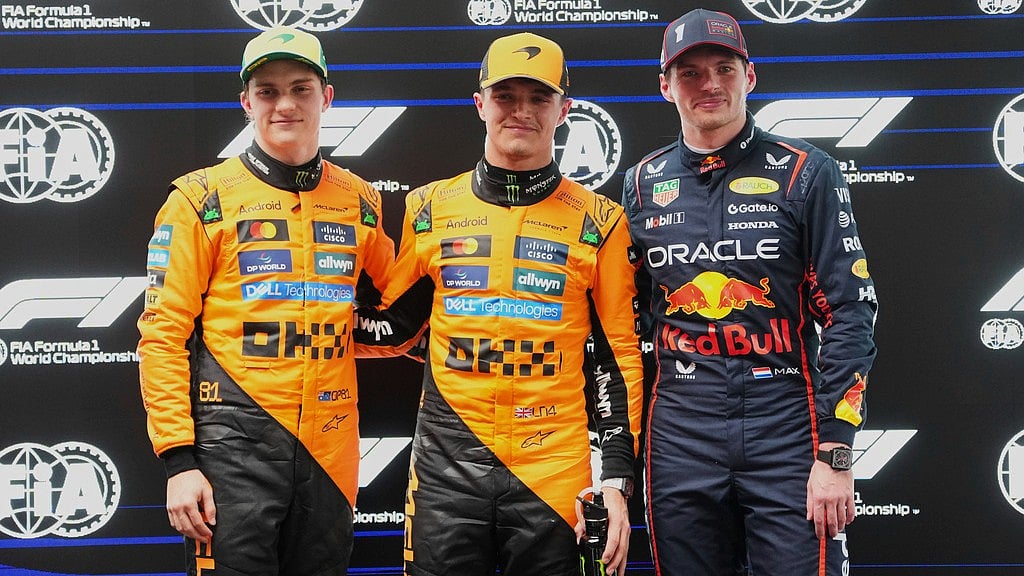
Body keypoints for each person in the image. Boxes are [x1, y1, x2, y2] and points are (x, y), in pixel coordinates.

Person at [352, 32, 644, 576]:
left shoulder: (600, 220)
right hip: (446, 471)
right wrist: (291, 310)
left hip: (554, 470)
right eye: (506, 95)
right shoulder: (430, 207)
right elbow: (395, 327)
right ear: (480, 103)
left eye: (539, 98)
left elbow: (616, 356)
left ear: (564, 111)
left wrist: (616, 481)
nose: (521, 111)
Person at [621, 8, 878, 576]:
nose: (709, 84)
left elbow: (850, 312)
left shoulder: (807, 172)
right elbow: (630, 320)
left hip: (785, 425)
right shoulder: (641, 184)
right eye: (690, 72)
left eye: (724, 68)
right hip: (680, 431)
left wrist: (835, 454)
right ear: (665, 86)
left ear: (750, 76)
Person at [137, 26, 395, 576]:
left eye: (301, 88)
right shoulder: (199, 198)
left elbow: (400, 315)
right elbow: (162, 335)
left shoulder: (360, 200)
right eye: (268, 90)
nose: (285, 104)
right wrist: (178, 462)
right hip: (231, 452)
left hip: (330, 452)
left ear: (326, 98)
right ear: (246, 102)